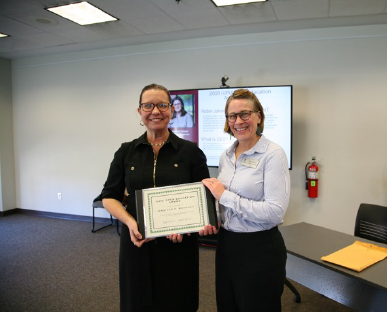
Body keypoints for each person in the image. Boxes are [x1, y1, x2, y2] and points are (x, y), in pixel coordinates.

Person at [101, 83, 210, 312]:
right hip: (137, 243)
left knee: (177, 302)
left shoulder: (191, 152)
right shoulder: (126, 151)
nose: (155, 111)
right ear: (140, 111)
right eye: (148, 105)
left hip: (178, 247)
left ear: (171, 110)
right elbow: (109, 196)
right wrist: (130, 223)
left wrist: (186, 226)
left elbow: (203, 200)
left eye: (162, 105)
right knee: (137, 303)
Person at [200, 89, 291, 312]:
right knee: (227, 306)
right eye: (232, 116)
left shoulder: (273, 154)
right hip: (227, 246)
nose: (238, 121)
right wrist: (212, 217)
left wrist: (225, 196)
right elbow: (223, 202)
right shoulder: (226, 155)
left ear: (258, 116)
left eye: (245, 114)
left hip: (259, 249)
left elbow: (275, 212)